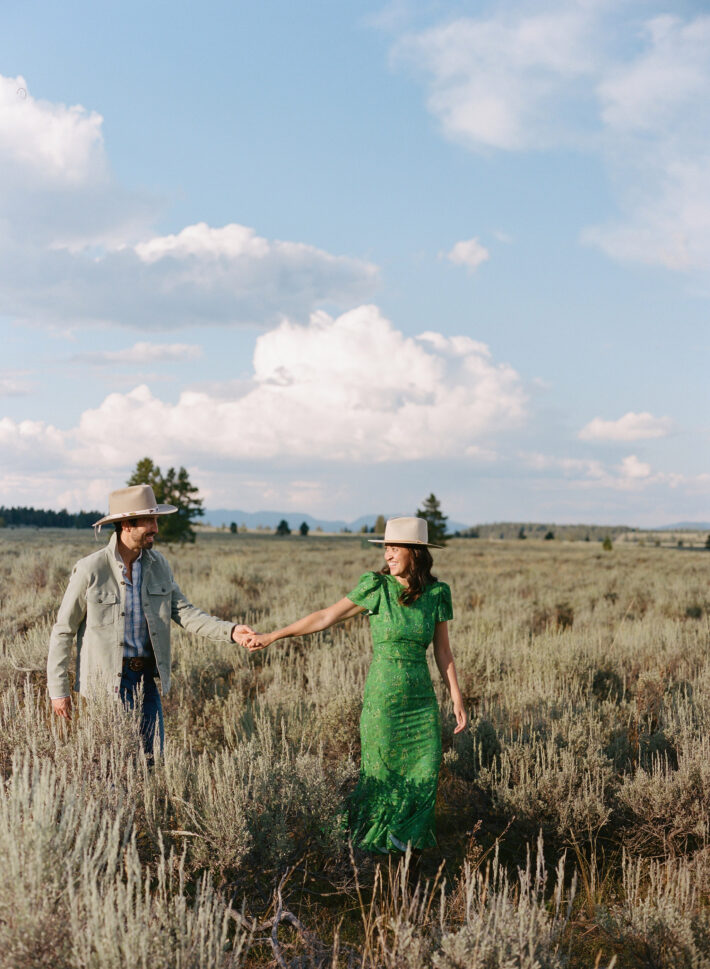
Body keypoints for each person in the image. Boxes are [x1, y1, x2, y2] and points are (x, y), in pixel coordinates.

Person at [244, 516, 467, 854]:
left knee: (424, 777)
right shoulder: (376, 587)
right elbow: (325, 616)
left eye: (395, 548)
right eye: (387, 549)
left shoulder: (437, 593)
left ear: (416, 553)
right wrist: (274, 635)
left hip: (421, 703)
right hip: (384, 701)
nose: (388, 555)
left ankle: (407, 854)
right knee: (381, 776)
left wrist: (456, 696)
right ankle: (369, 856)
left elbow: (443, 650)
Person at [47, 484, 254, 754]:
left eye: (156, 520)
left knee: (152, 758)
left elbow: (185, 612)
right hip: (106, 682)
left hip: (145, 678)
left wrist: (232, 631)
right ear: (126, 525)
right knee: (114, 764)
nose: (156, 528)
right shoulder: (91, 569)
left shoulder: (158, 565)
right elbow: (64, 630)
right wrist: (58, 690)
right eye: (150, 521)